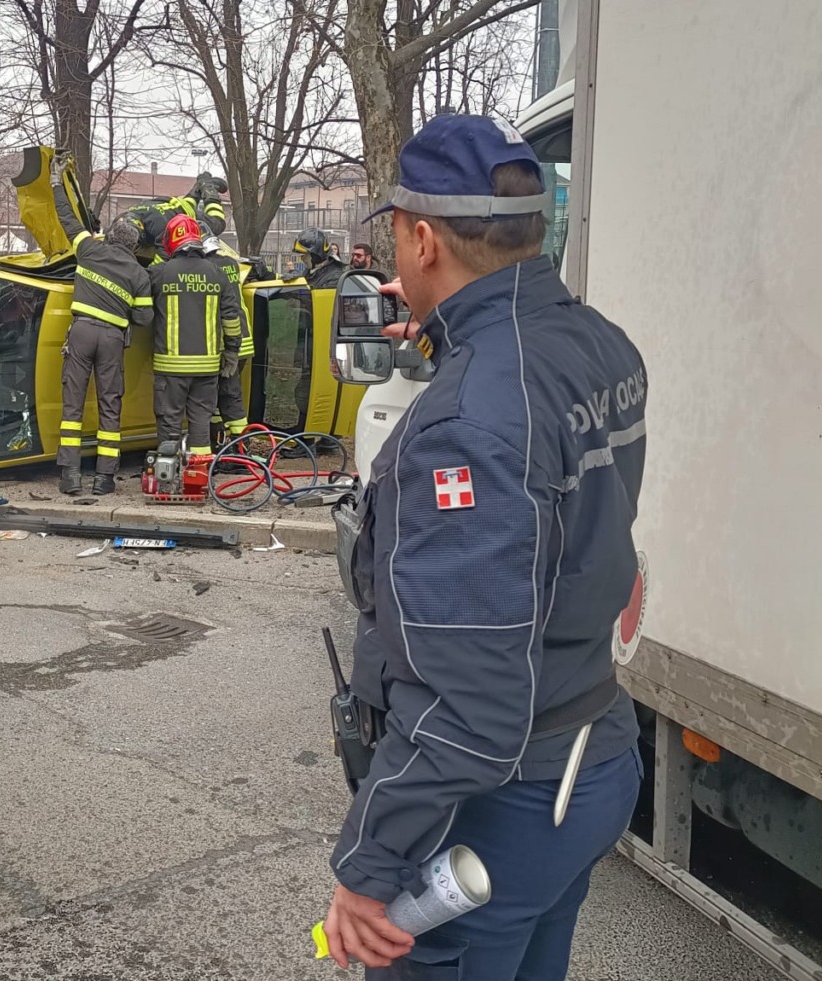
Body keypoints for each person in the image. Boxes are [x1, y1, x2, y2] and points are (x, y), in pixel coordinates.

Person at [321, 113, 649, 980]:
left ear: (424, 238)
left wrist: (369, 863)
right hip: (594, 755)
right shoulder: (597, 343)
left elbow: (469, 702)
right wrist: (451, 336)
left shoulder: (469, 420)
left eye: (395, 234)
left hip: (502, 806)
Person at [51, 163, 153, 496]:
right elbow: (144, 319)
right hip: (112, 338)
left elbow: (68, 220)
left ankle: (70, 475)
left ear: (107, 237)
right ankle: (104, 478)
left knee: (73, 405)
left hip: (80, 334)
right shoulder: (140, 275)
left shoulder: (89, 249)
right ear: (134, 247)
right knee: (110, 405)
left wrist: (56, 183)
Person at [149, 215, 242, 465]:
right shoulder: (217, 273)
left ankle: (168, 476)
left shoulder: (159, 273)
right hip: (207, 367)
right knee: (201, 421)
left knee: (169, 421)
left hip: (171, 368)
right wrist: (232, 352)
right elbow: (232, 319)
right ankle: (198, 477)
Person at [202, 236, 253, 442]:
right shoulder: (230, 263)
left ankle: (237, 448)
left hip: (226, 343)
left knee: (226, 396)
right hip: (244, 339)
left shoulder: (208, 269)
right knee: (223, 396)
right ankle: (226, 445)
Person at [118, 171, 227, 262]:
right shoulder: (119, 222)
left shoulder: (159, 228)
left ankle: (210, 190)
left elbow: (163, 259)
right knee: (185, 204)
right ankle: (199, 185)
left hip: (179, 213)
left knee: (218, 223)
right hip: (164, 204)